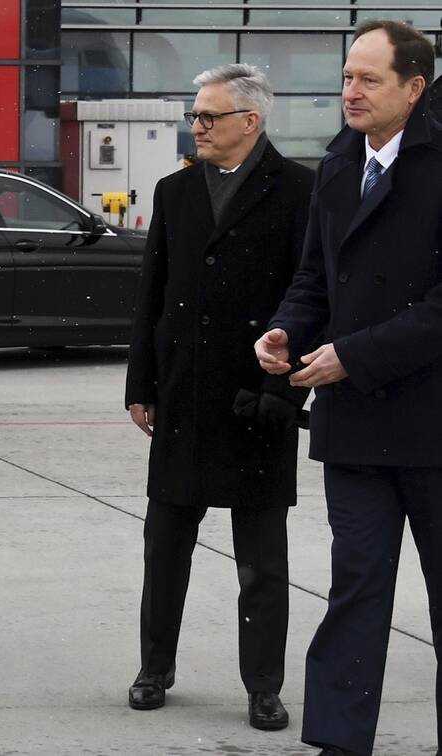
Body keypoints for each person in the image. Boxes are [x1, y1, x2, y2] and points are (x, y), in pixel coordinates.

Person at [256, 20, 442, 756]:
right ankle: (339, 743)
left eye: (369, 79)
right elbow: (314, 278)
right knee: (356, 591)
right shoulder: (337, 166)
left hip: (434, 426)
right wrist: (285, 331)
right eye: (346, 77)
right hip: (357, 430)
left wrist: (354, 357)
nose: (350, 92)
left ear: (415, 88)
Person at [125, 64, 314, 729]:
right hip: (183, 395)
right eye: (195, 115)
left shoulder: (299, 191)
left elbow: (308, 295)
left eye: (208, 116)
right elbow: (152, 294)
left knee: (261, 561)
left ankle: (263, 685)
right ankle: (155, 668)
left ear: (249, 121)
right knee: (165, 546)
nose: (196, 126)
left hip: (256, 400)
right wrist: (142, 385)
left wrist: (282, 391)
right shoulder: (175, 191)